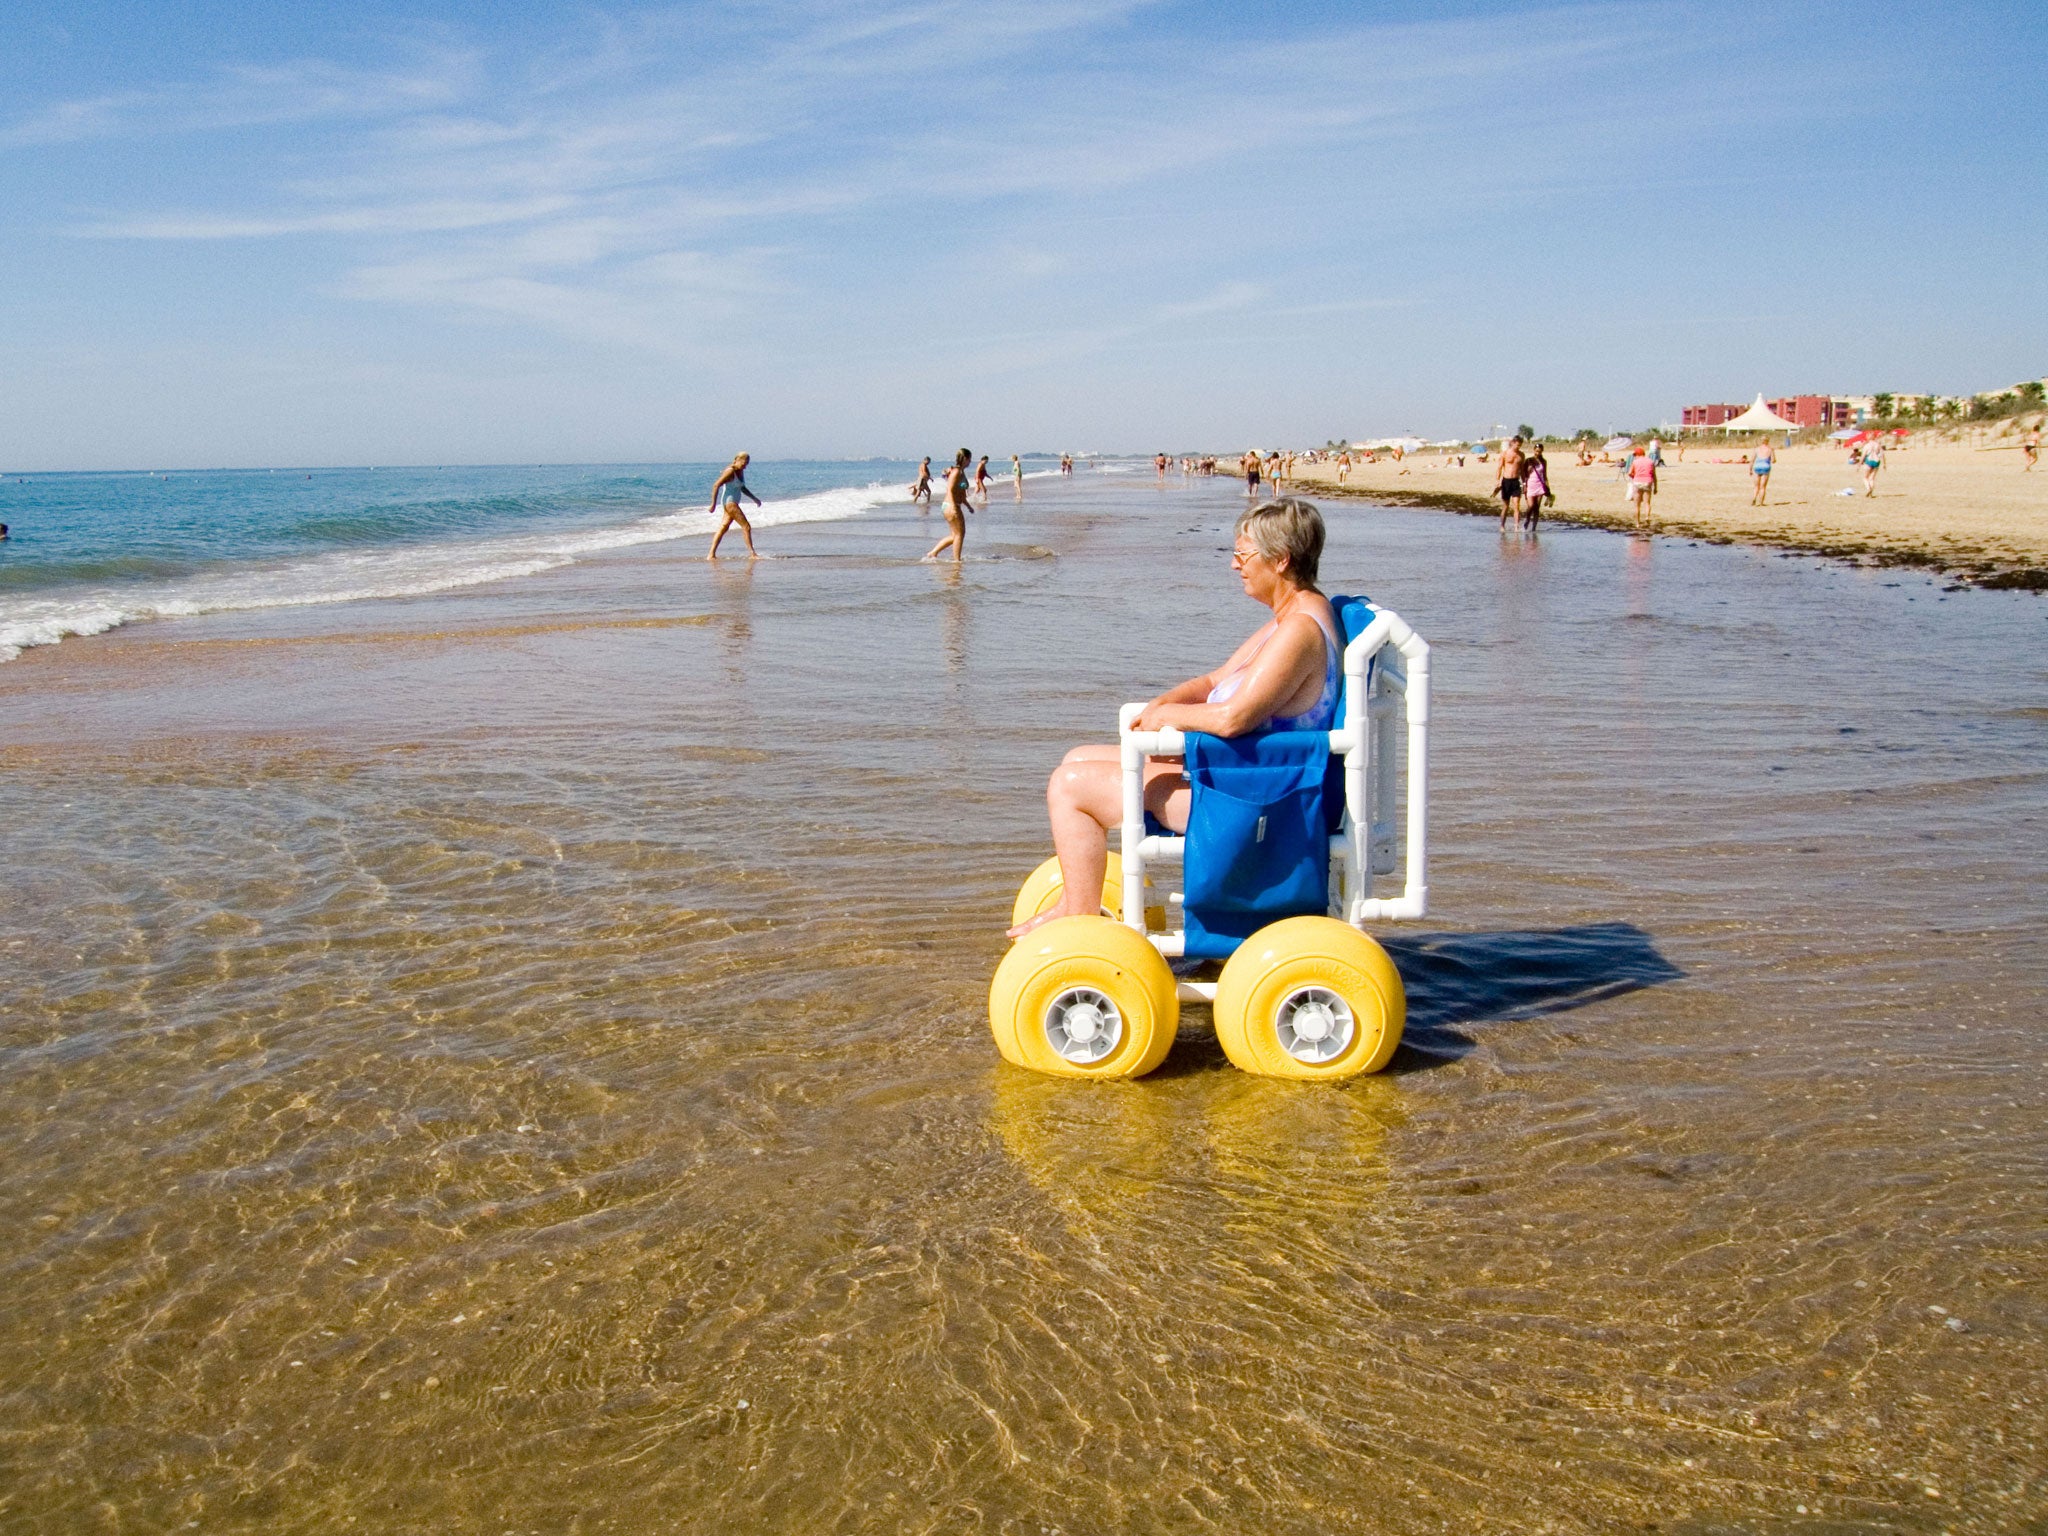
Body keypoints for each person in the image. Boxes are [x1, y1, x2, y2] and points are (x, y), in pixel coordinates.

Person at [1007, 498, 1343, 940]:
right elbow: (1214, 680)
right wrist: (1159, 706)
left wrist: (1168, 718)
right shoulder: (1289, 618)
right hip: (1243, 774)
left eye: (1242, 555)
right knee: (1077, 757)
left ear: (1279, 560)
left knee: (1070, 786)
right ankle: (1077, 898)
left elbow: (1232, 718)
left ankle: (1079, 915)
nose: (1234, 566)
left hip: (1259, 800)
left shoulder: (1299, 632)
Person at [706, 452, 763, 559]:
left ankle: (711, 554)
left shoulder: (740, 471)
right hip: (730, 503)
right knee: (746, 526)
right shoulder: (730, 471)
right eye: (744, 464)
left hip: (732, 503)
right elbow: (716, 485)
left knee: (723, 527)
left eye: (747, 464)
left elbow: (742, 488)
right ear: (737, 460)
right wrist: (713, 504)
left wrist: (754, 498)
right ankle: (752, 554)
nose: (745, 467)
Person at [924, 448, 973, 562]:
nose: (970, 462)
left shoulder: (960, 471)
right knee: (960, 534)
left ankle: (933, 553)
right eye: (969, 459)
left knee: (954, 535)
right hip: (951, 505)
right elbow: (950, 489)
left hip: (950, 505)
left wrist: (968, 506)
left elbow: (961, 493)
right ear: (965, 459)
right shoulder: (956, 471)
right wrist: (954, 506)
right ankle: (957, 560)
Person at [1493, 435, 1525, 530]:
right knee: (1506, 506)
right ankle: (1502, 526)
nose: (1518, 447)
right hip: (1506, 481)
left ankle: (1516, 527)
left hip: (1516, 481)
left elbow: (1522, 470)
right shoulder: (1505, 453)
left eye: (1520, 445)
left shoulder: (1521, 455)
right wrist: (1497, 481)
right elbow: (1499, 468)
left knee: (1516, 505)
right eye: (1517, 445)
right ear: (1513, 443)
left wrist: (1524, 483)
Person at [1627, 443, 1658, 528]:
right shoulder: (1650, 461)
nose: (1635, 456)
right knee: (1647, 502)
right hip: (1648, 482)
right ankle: (1647, 517)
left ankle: (1637, 523)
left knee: (1637, 505)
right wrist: (1655, 487)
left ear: (1638, 454)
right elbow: (1654, 475)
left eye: (1635, 455)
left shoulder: (1635, 462)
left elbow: (1629, 473)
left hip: (1637, 482)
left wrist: (1634, 476)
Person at [1520, 441, 1549, 530]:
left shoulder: (1543, 461)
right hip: (1530, 485)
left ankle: (1534, 528)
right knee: (1531, 506)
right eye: (1536, 451)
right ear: (1534, 450)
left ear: (1542, 451)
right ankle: (1527, 520)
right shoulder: (1528, 460)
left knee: (1537, 507)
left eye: (1539, 451)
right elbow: (1523, 473)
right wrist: (1524, 485)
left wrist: (1547, 488)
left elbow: (1544, 475)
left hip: (1540, 485)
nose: (1537, 453)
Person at [1750, 438, 1774, 505]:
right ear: (1768, 441)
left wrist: (1750, 470)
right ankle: (1761, 502)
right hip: (1766, 467)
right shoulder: (1770, 449)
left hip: (1757, 467)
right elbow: (1773, 460)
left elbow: (1752, 460)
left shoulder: (1757, 449)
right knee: (1763, 487)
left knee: (1756, 486)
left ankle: (1754, 498)